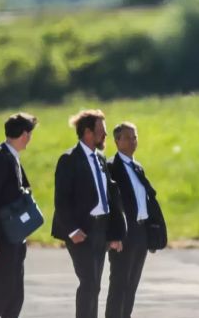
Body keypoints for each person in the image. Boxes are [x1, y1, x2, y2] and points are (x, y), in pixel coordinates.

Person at [52, 109, 126, 318]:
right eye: (101, 130)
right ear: (87, 133)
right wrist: (72, 230)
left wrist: (114, 233)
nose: (105, 135)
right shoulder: (69, 160)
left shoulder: (101, 159)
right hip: (81, 231)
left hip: (101, 229)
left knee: (95, 285)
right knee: (89, 283)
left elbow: (109, 197)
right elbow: (61, 200)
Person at [105, 122, 166, 318]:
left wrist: (152, 232)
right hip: (124, 233)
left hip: (141, 233)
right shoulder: (111, 167)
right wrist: (114, 233)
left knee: (132, 285)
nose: (132, 142)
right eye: (127, 138)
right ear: (117, 141)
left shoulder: (137, 167)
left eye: (135, 137)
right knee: (119, 285)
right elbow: (112, 203)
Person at [0, 112, 37, 318]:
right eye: (29, 133)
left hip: (14, 238)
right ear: (24, 134)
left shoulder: (12, 157)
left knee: (16, 297)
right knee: (2, 295)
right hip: (0, 239)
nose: (30, 138)